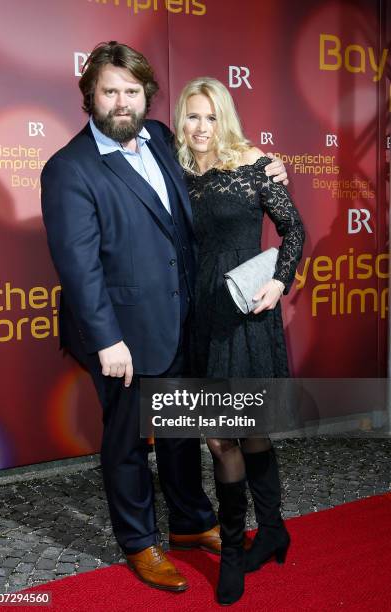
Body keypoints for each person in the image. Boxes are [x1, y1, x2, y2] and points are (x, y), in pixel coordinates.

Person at [41, 41, 288, 593]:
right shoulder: (69, 169)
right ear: (90, 96)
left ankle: (192, 524)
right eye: (111, 91)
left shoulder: (158, 137)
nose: (123, 102)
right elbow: (78, 269)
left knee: (180, 429)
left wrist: (266, 164)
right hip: (123, 335)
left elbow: (216, 163)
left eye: (133, 92)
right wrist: (107, 340)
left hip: (183, 319)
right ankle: (139, 542)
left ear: (147, 97)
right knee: (128, 439)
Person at [174, 77, 305, 605]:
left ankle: (256, 538)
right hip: (199, 312)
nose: (201, 127)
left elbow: (293, 229)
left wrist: (279, 282)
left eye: (210, 117)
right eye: (192, 116)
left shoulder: (254, 163)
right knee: (223, 435)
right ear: (180, 120)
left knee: (239, 432)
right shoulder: (176, 170)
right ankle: (255, 536)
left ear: (223, 117)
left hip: (246, 309)